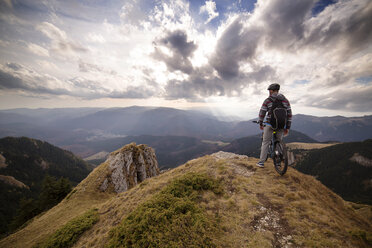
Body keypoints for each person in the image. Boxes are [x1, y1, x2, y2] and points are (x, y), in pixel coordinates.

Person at [256, 83, 292, 168]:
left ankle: (261, 162)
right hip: (281, 125)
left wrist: (261, 123)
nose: (269, 92)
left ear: (271, 90)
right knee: (279, 142)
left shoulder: (268, 100)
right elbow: (289, 115)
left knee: (266, 142)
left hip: (269, 124)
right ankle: (278, 163)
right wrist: (287, 127)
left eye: (269, 90)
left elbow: (262, 113)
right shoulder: (285, 100)